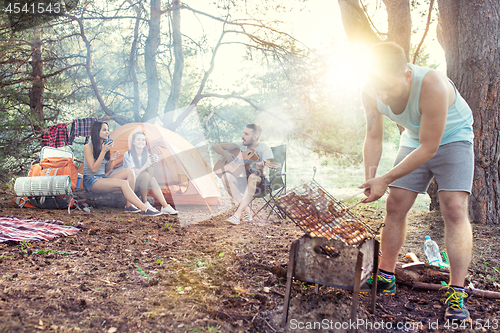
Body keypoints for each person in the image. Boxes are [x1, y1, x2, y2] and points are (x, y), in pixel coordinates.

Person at [360, 42, 474, 322]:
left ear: (407, 75)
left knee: (454, 207)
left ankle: (457, 291)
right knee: (395, 202)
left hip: (453, 136)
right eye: (379, 88)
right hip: (414, 137)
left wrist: (386, 177)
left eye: (389, 87)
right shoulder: (371, 90)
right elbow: (373, 137)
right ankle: (386, 276)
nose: (383, 95)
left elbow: (429, 148)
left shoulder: (432, 84)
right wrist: (371, 178)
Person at [82, 121, 161, 216]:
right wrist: (103, 152)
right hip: (91, 181)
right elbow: (93, 169)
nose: (107, 132)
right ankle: (144, 208)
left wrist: (110, 160)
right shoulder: (88, 147)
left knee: (130, 171)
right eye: (104, 130)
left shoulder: (104, 146)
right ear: (96, 131)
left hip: (102, 178)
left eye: (107, 130)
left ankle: (129, 205)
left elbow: (106, 170)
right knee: (124, 183)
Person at [213, 124, 274, 225]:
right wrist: (226, 154)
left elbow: (264, 173)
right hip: (245, 182)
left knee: (252, 177)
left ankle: (237, 215)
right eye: (243, 133)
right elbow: (216, 146)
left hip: (261, 184)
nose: (242, 136)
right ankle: (248, 211)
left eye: (246, 134)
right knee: (226, 177)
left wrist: (258, 167)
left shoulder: (264, 148)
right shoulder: (240, 145)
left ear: (255, 137)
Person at [122, 131, 178, 215]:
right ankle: (145, 202)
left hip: (143, 185)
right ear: (133, 142)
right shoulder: (128, 154)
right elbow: (134, 173)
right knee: (145, 175)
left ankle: (165, 206)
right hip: (131, 187)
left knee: (152, 178)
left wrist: (151, 165)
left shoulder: (147, 155)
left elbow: (149, 176)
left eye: (143, 140)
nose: (141, 142)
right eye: (138, 139)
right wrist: (147, 164)